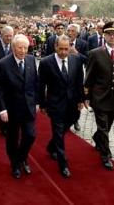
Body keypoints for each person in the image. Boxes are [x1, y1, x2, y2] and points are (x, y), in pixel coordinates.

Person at [0, 34, 39, 179]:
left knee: (30, 136)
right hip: (11, 109)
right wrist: (2, 109)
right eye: (20, 48)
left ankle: (21, 157)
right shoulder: (3, 64)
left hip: (28, 107)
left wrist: (36, 101)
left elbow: (35, 82)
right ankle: (15, 164)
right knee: (12, 139)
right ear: (13, 48)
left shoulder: (31, 60)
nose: (23, 51)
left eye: (26, 48)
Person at [84, 21, 114, 171]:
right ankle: (105, 155)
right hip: (99, 97)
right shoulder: (95, 53)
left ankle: (98, 138)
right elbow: (88, 76)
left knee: (108, 125)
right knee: (103, 127)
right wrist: (87, 95)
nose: (112, 36)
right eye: (109, 33)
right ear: (104, 35)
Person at [38, 35, 84, 178]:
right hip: (55, 103)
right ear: (55, 47)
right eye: (61, 49)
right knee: (59, 133)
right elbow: (41, 85)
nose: (64, 52)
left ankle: (51, 146)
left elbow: (79, 81)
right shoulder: (46, 62)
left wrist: (81, 99)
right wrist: (42, 104)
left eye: (66, 48)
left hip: (72, 103)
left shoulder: (76, 59)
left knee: (67, 125)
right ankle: (63, 164)